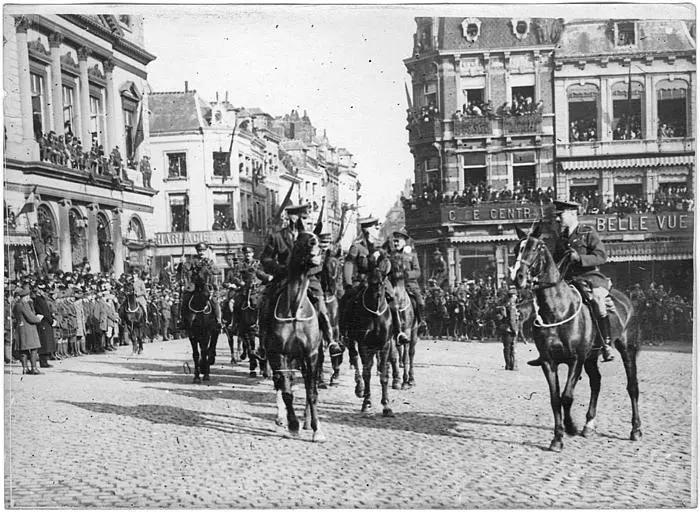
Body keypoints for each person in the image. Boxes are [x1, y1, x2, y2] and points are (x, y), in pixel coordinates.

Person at [528, 200, 615, 366]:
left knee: (597, 300)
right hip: (566, 280)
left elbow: (601, 256)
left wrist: (580, 258)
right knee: (545, 303)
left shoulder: (587, 232)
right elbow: (554, 263)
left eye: (561, 215)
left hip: (589, 277)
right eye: (558, 216)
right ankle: (544, 351)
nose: (559, 219)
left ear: (572, 214)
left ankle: (606, 343)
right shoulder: (561, 238)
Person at [258, 204, 341, 360]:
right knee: (266, 301)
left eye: (305, 217)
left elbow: (320, 257)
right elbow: (266, 258)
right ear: (290, 217)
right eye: (300, 216)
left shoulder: (311, 237)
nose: (303, 220)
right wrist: (280, 269)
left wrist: (315, 262)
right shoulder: (277, 237)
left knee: (322, 306)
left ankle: (331, 341)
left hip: (308, 277)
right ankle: (262, 344)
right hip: (284, 278)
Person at [340, 216, 408, 345]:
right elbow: (348, 265)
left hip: (381, 281)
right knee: (347, 300)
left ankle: (398, 332)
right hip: (363, 281)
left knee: (393, 299)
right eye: (374, 227)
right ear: (367, 230)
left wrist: (383, 261)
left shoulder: (381, 246)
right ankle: (344, 334)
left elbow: (388, 265)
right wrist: (348, 283)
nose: (377, 229)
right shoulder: (357, 247)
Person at [390, 228, 427, 333]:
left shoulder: (411, 255)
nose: (396, 243)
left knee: (420, 302)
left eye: (398, 241)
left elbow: (418, 272)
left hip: (410, 285)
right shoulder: (391, 256)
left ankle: (422, 321)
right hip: (395, 285)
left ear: (404, 241)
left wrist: (407, 275)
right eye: (394, 241)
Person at [179, 242, 222, 329]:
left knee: (214, 301)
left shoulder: (210, 261)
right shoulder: (192, 261)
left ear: (206, 251)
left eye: (203, 250)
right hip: (195, 287)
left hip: (207, 286)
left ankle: (218, 320)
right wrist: (182, 263)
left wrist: (211, 267)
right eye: (199, 251)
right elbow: (185, 269)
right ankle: (183, 320)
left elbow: (217, 271)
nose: (201, 252)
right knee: (185, 299)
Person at [12, 286, 44, 374]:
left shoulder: (16, 305)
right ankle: (34, 368)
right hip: (28, 329)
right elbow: (30, 317)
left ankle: (25, 369)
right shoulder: (24, 305)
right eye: (28, 296)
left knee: (23, 350)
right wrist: (38, 319)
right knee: (34, 348)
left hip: (20, 329)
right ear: (25, 296)